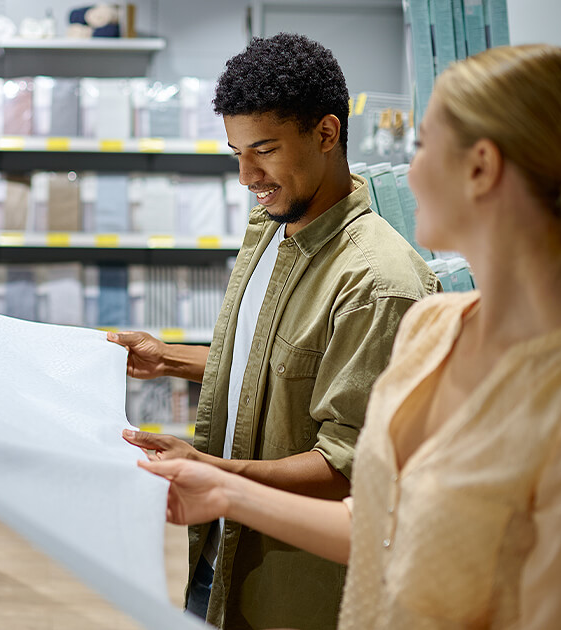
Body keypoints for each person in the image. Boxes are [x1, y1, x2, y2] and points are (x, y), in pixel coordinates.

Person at [138, 44, 561, 628]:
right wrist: (222, 491)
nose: (406, 172)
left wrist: (226, 483)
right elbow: (380, 526)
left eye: (422, 147)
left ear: (482, 167)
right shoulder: (437, 328)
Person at [108, 34, 438, 629]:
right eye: (235, 151)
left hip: (293, 588)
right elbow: (271, 368)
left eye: (263, 150)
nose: (245, 176)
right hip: (220, 555)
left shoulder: (378, 285)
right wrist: (169, 359)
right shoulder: (272, 228)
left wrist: (215, 477)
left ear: (327, 134)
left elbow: (349, 465)